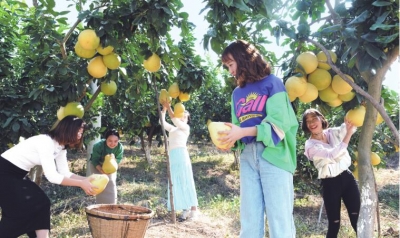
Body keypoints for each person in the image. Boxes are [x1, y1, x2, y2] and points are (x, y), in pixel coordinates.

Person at [219, 40, 298, 238]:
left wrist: (242, 132)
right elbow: (238, 127)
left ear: (242, 59)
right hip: (248, 157)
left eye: (230, 65)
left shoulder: (273, 83)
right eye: (227, 67)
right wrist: (230, 140)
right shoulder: (237, 94)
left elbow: (279, 125)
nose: (230, 71)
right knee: (249, 218)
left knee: (279, 219)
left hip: (274, 155)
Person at [0, 115, 96, 238]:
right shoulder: (46, 142)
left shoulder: (61, 148)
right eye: (79, 131)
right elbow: (52, 177)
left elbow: (65, 173)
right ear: (68, 129)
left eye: (81, 132)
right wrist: (81, 184)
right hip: (4, 172)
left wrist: (86, 180)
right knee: (18, 211)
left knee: (41, 203)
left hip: (18, 174)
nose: (80, 135)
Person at [301, 108, 360, 237]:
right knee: (334, 224)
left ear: (321, 119)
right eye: (308, 121)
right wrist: (348, 134)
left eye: (314, 118)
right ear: (305, 125)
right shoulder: (310, 146)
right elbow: (331, 155)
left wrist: (352, 119)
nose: (311, 123)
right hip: (330, 184)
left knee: (357, 220)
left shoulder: (332, 133)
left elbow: (348, 127)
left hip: (347, 178)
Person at [159, 101, 199, 221]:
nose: (183, 117)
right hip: (173, 157)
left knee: (186, 179)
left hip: (181, 155)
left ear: (187, 120)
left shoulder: (185, 128)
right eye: (181, 115)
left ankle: (194, 210)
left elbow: (175, 119)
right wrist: (164, 109)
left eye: (185, 116)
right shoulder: (173, 129)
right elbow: (162, 122)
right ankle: (185, 208)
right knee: (176, 181)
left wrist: (169, 106)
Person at [88, 129, 124, 204]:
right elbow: (94, 160)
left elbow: (119, 159)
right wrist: (101, 170)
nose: (113, 143)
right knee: (99, 184)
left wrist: (113, 161)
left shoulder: (120, 147)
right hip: (96, 165)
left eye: (115, 141)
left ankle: (112, 205)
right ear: (105, 139)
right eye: (110, 141)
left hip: (110, 166)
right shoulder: (98, 146)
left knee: (111, 183)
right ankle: (100, 205)